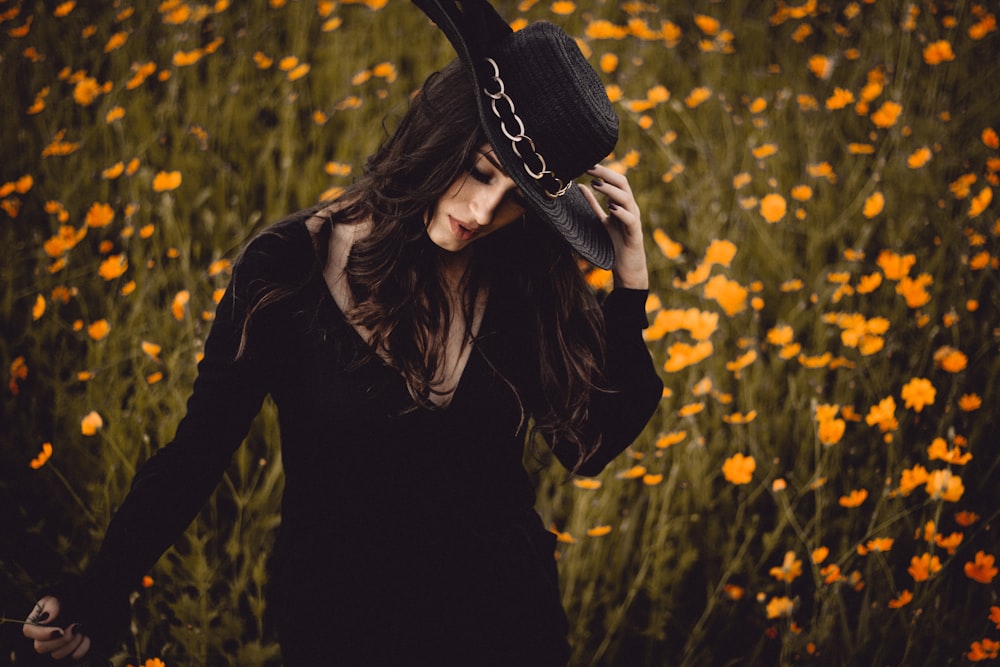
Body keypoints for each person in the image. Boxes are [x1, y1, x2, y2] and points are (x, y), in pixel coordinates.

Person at [23, 1, 662, 664]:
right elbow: (196, 454)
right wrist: (99, 590)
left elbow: (589, 444)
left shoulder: (520, 275)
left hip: (505, 628)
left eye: (516, 201)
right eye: (478, 171)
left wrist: (630, 287)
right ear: (437, 134)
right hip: (343, 629)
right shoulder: (286, 271)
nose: (481, 212)